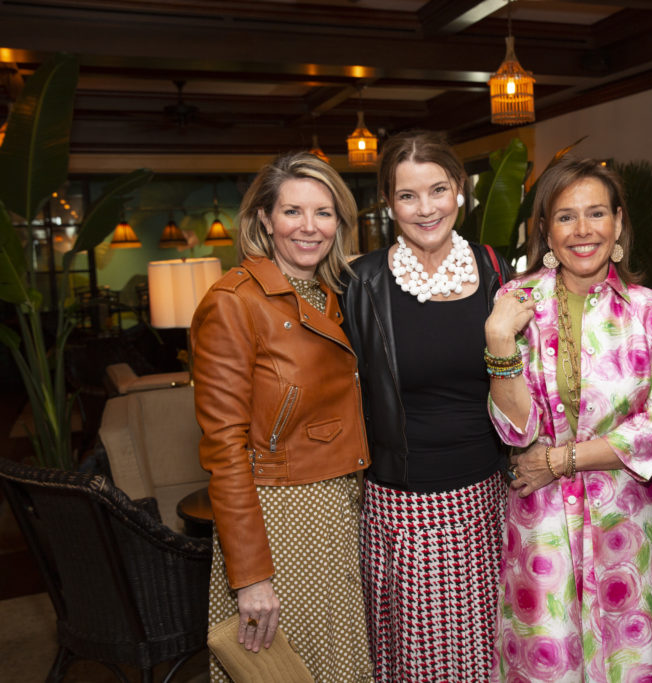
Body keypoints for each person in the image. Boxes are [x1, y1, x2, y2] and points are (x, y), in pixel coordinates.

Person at [484, 157, 652, 682]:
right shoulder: (516, 302)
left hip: (626, 525)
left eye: (596, 214)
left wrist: (562, 459)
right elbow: (514, 431)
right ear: (546, 228)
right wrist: (500, 341)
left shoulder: (650, 310)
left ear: (618, 223)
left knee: (629, 662)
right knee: (547, 662)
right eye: (566, 217)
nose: (583, 230)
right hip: (540, 526)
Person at [192, 151, 373, 682]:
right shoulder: (234, 301)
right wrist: (249, 576)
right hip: (280, 515)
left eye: (324, 212)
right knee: (286, 670)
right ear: (265, 220)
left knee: (337, 664)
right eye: (293, 211)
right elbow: (223, 449)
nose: (309, 227)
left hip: (337, 503)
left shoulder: (330, 292)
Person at [340, 130, 513, 681]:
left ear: (460, 190)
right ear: (389, 203)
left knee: (491, 657)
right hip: (404, 506)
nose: (425, 208)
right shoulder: (360, 281)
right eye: (407, 196)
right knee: (420, 666)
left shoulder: (493, 269)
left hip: (489, 500)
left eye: (437, 190)